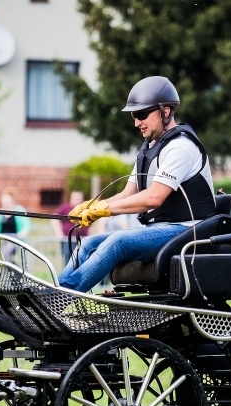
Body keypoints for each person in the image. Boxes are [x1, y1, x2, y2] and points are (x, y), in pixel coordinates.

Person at [59, 76, 215, 293]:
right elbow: (126, 195)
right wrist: (91, 206)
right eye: (134, 115)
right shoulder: (149, 147)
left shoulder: (180, 147)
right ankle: (54, 293)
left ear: (166, 111)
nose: (136, 122)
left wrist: (104, 210)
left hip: (187, 231)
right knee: (86, 244)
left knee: (118, 242)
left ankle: (61, 295)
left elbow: (153, 198)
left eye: (142, 114)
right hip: (160, 229)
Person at [51, 190, 89, 263]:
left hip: (82, 240)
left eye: (79, 199)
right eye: (75, 199)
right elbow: (54, 219)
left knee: (82, 261)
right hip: (67, 240)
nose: (77, 201)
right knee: (68, 261)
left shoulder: (86, 209)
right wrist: (59, 234)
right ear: (71, 199)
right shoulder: (65, 208)